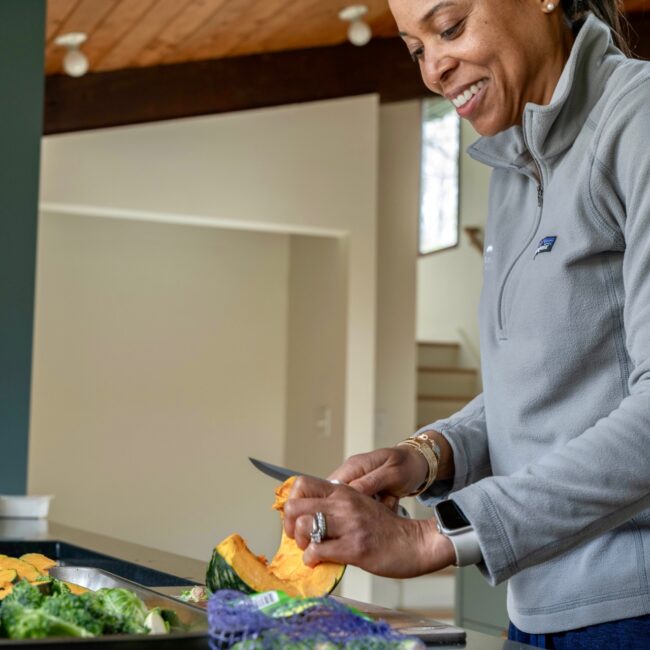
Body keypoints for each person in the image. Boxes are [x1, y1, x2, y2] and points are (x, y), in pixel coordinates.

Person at [282, 0, 650, 646]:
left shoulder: (637, 121)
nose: (433, 70)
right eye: (415, 49)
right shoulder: (510, 161)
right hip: (533, 615)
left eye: (449, 28)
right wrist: (428, 455)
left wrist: (434, 535)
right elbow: (552, 383)